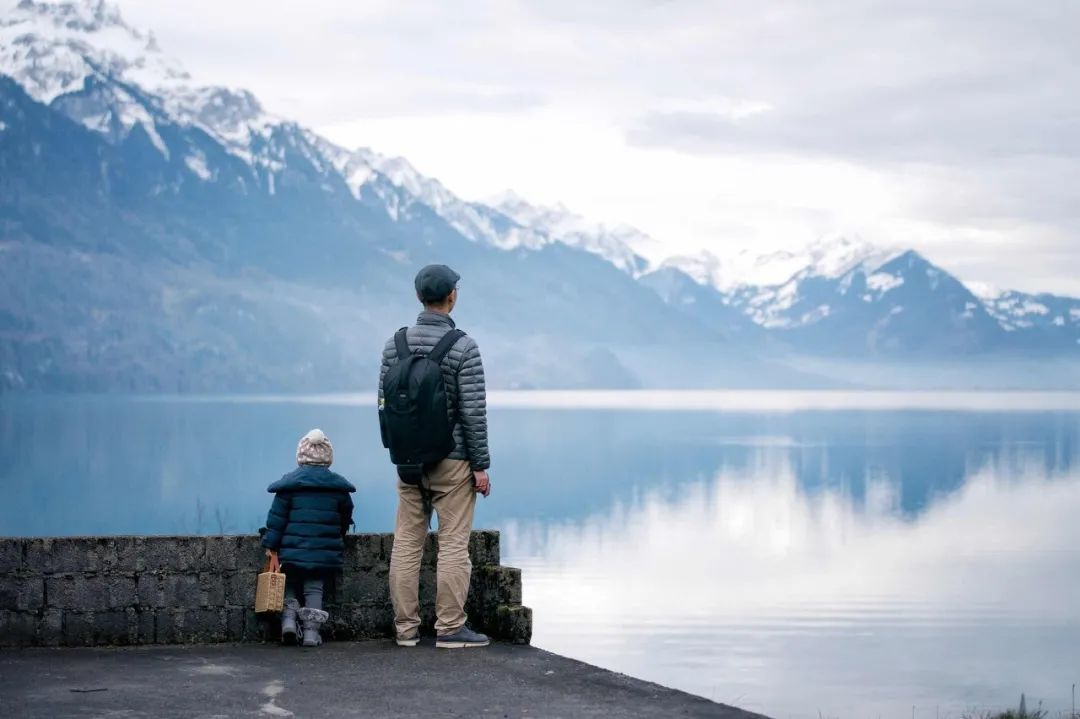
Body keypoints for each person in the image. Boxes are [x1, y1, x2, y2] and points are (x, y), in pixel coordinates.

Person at [379, 264, 492, 649]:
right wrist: (480, 465)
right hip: (453, 461)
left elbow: (384, 405)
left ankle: (405, 629)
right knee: (453, 544)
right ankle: (449, 628)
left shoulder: (395, 345)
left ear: (418, 297)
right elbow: (472, 412)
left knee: (407, 542)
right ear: (452, 296)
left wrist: (395, 451)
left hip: (408, 461)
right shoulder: (464, 346)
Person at [262, 428, 355, 647]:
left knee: (290, 584)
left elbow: (276, 520)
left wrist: (271, 546)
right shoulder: (338, 489)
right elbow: (345, 517)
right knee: (314, 588)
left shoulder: (289, 486)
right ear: (328, 458)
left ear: (301, 457)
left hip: (291, 550)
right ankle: (312, 634)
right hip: (323, 552)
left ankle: (288, 623)